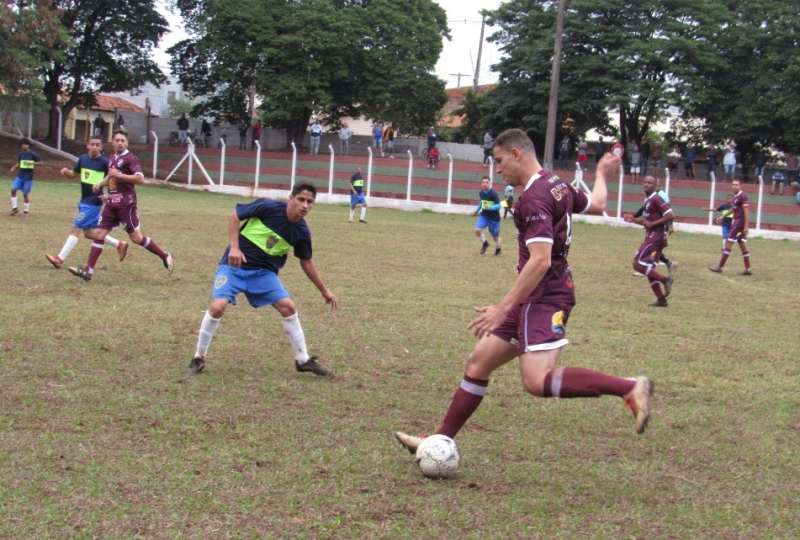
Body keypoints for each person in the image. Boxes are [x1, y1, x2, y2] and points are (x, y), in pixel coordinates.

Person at [394, 130, 652, 458]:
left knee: (536, 381)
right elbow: (598, 204)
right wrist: (601, 174)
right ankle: (439, 441)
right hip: (533, 296)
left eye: (500, 161)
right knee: (477, 365)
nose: (498, 169)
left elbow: (540, 260)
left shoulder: (533, 198)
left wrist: (502, 307)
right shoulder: (557, 184)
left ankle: (630, 387)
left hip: (543, 298)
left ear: (517, 154)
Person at [185, 181, 338, 377]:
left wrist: (324, 290)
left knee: (288, 307)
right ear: (290, 199)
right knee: (217, 308)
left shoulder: (301, 232)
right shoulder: (268, 207)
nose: (305, 206)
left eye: (310, 202)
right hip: (234, 267)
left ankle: (303, 360)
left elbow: (306, 262)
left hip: (263, 274)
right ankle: (199, 357)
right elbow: (234, 216)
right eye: (301, 199)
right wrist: (234, 247)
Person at [68, 130, 174, 281]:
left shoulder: (131, 158)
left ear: (126, 143)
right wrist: (100, 184)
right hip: (112, 203)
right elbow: (111, 176)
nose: (119, 143)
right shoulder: (112, 158)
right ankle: (88, 271)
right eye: (117, 140)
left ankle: (164, 255)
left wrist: (120, 175)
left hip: (126, 204)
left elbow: (140, 179)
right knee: (99, 234)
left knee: (136, 238)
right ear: (112, 143)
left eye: (122, 140)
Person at [45, 136, 128, 269]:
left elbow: (113, 179)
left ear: (101, 147)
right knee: (89, 233)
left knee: (75, 227)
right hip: (84, 201)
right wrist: (67, 173)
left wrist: (109, 194)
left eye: (97, 145)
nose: (95, 147)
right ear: (87, 146)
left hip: (93, 203)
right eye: (92, 144)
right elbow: (74, 173)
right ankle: (119, 244)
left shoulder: (104, 162)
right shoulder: (83, 159)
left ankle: (59, 259)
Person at [624, 176, 677, 307]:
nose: (646, 185)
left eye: (650, 183)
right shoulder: (647, 200)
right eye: (645, 182)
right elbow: (647, 220)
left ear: (655, 186)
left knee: (637, 264)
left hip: (656, 237)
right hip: (654, 235)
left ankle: (665, 280)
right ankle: (661, 299)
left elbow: (670, 215)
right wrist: (633, 220)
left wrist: (653, 224)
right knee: (648, 269)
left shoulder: (656, 199)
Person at [708, 180, 752, 275]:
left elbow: (746, 211)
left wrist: (746, 226)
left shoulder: (742, 196)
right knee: (742, 244)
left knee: (728, 243)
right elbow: (733, 209)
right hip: (738, 223)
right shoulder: (736, 197)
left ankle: (719, 267)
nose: (734, 186)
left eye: (736, 185)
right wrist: (723, 216)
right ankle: (748, 269)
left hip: (738, 224)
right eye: (733, 185)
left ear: (740, 186)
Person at [9, 137, 43, 216]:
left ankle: (26, 211)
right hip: (20, 176)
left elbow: (41, 163)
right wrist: (14, 167)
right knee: (13, 190)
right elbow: (19, 162)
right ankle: (15, 208)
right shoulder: (20, 154)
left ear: (29, 146)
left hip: (28, 178)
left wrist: (32, 163)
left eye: (26, 144)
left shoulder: (33, 154)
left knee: (25, 194)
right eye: (23, 145)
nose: (24, 146)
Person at [472, 176, 502, 256]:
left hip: (494, 218)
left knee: (496, 238)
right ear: (481, 183)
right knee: (477, 230)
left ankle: (498, 249)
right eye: (483, 182)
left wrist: (491, 207)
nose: (485, 184)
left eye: (486, 182)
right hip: (484, 216)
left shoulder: (493, 194)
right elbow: (482, 202)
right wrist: (477, 210)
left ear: (490, 183)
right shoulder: (481, 193)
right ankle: (485, 244)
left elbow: (499, 206)